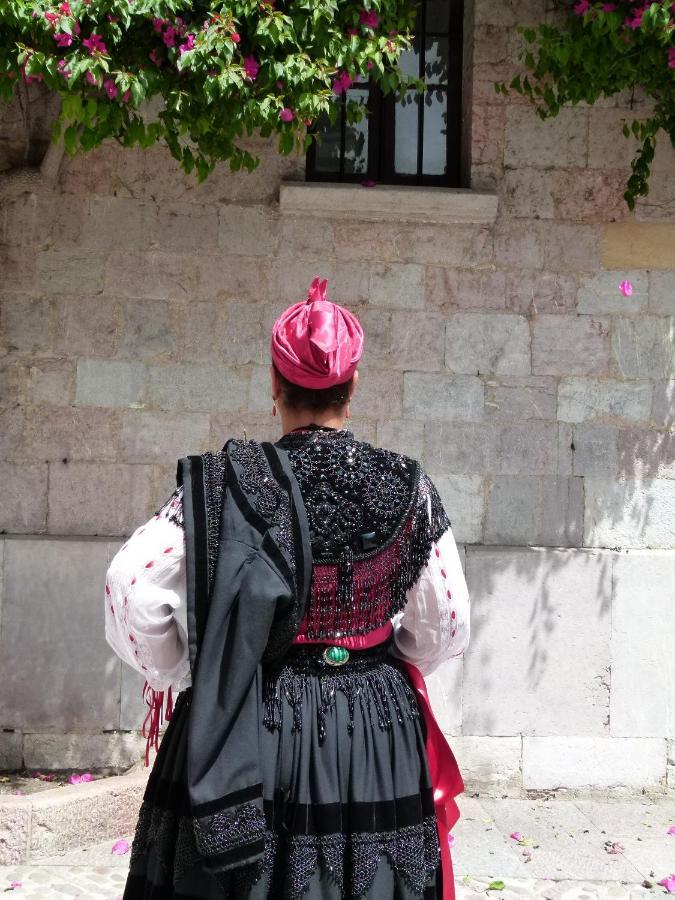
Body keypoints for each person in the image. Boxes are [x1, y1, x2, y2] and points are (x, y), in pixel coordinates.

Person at [105, 276, 470, 900]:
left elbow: (130, 585)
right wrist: (371, 662)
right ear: (351, 389)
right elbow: (448, 622)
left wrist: (193, 670)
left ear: (275, 386)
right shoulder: (408, 485)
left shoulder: (226, 483)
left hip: (247, 722)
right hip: (369, 736)